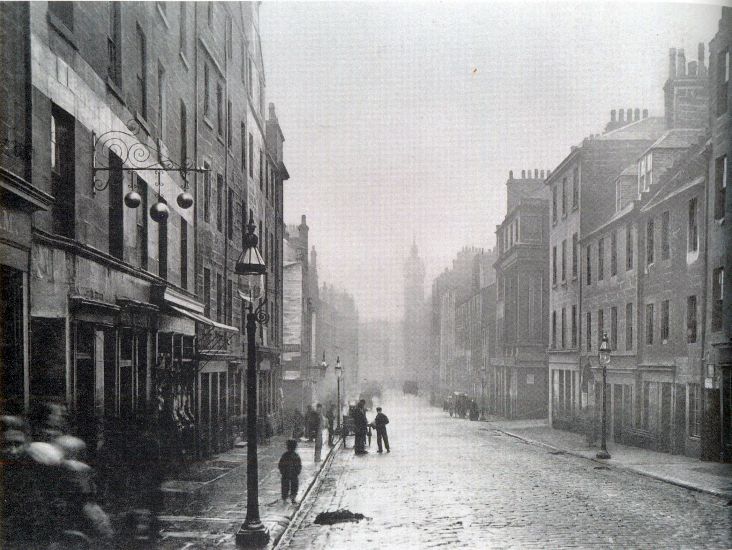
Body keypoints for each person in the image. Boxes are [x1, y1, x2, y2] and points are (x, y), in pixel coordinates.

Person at [278, 439, 302, 504]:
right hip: (292, 474)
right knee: (293, 486)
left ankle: (285, 498)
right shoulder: (295, 456)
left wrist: (282, 471)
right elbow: (299, 465)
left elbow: (280, 464)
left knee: (286, 486)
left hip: (287, 474)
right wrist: (297, 471)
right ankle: (291, 498)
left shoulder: (285, 455)